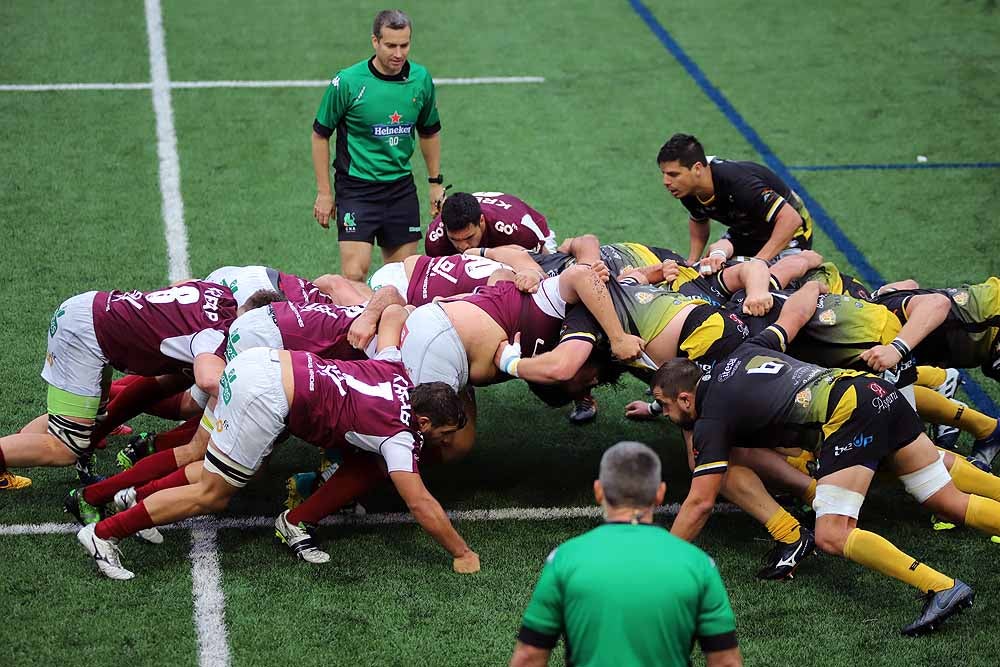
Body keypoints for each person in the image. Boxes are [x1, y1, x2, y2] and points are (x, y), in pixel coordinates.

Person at [76, 313, 479, 579]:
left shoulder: (394, 369)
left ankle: (132, 496)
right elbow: (421, 503)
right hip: (267, 396)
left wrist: (393, 308)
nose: (441, 442)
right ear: (423, 421)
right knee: (211, 495)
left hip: (260, 362)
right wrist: (462, 552)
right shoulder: (400, 437)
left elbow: (392, 316)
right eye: (442, 433)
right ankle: (106, 534)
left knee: (207, 468)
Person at [651, 328, 1000, 634]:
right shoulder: (743, 352)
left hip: (849, 416)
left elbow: (700, 502)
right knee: (945, 499)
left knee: (833, 534)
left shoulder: (712, 420)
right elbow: (794, 314)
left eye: (664, 406)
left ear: (685, 398)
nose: (665, 415)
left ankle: (941, 587)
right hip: (873, 390)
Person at [509, 441, 741, 667]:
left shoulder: (563, 559)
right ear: (660, 494)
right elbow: (726, 661)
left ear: (598, 491)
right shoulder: (700, 565)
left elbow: (529, 656)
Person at [311, 9, 443, 281]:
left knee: (401, 279)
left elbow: (429, 131)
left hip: (400, 190)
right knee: (354, 273)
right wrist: (324, 193)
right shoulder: (348, 82)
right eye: (390, 45)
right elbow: (320, 134)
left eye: (404, 45)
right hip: (356, 189)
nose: (398, 53)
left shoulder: (420, 80)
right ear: (375, 41)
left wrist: (435, 182)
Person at [657, 133, 813, 271]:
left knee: (764, 281)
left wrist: (758, 263)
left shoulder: (738, 183)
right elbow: (698, 218)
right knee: (711, 266)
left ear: (697, 168)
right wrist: (691, 261)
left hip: (790, 236)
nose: (666, 182)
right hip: (746, 232)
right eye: (664, 174)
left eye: (673, 174)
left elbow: (791, 219)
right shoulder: (687, 189)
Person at [425, 191, 556, 256]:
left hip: (535, 233)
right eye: (454, 239)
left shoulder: (516, 231)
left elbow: (545, 263)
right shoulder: (435, 240)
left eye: (469, 237)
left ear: (481, 221)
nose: (463, 247)